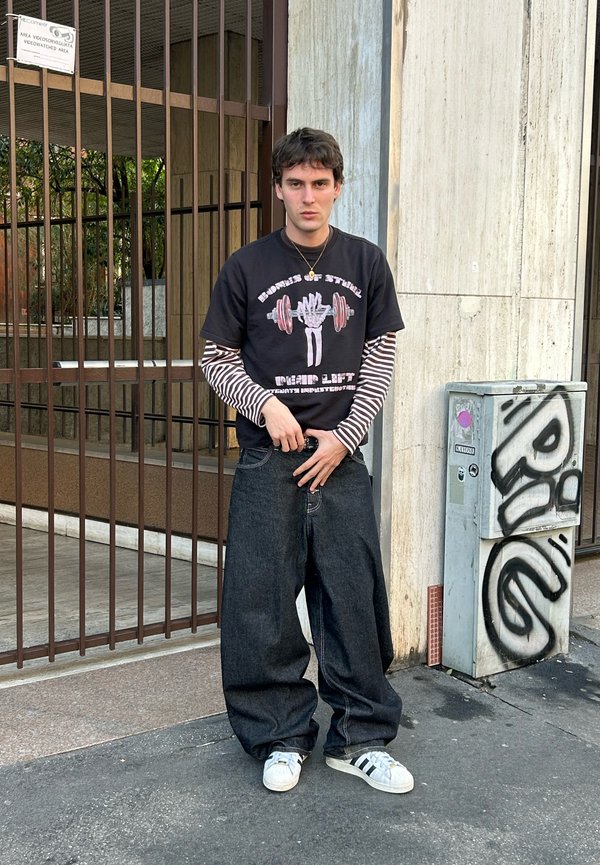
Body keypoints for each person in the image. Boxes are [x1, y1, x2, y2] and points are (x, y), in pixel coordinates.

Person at [200, 127, 413, 795]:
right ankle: (280, 733)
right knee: (260, 603)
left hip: (341, 462)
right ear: (279, 189)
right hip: (272, 459)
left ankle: (361, 737)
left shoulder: (365, 262)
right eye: (296, 183)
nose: (308, 195)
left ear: (337, 187)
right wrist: (265, 404)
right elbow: (216, 359)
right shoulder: (247, 267)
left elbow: (380, 355)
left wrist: (346, 435)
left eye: (320, 183)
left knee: (352, 597)